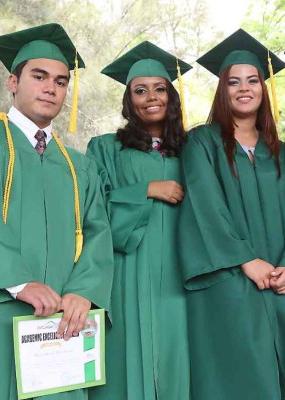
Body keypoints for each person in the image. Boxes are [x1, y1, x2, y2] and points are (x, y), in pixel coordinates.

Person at [178, 29, 285, 400]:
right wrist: (246, 260)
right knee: (239, 378)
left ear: (263, 88)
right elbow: (206, 207)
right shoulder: (201, 142)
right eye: (234, 81)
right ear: (222, 90)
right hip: (230, 282)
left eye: (252, 80)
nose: (244, 88)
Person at [0, 23, 113, 399]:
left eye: (61, 81)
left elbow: (99, 231)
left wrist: (85, 292)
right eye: (39, 76)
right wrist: (19, 282)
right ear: (12, 82)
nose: (51, 87)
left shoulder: (78, 165)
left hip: (64, 325)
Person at [86, 41, 191, 400]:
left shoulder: (195, 149)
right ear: (129, 100)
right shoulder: (104, 148)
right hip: (128, 270)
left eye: (160, 89)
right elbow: (92, 209)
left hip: (183, 272)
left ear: (171, 97)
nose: (151, 97)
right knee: (127, 359)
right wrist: (146, 188)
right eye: (140, 90)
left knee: (183, 358)